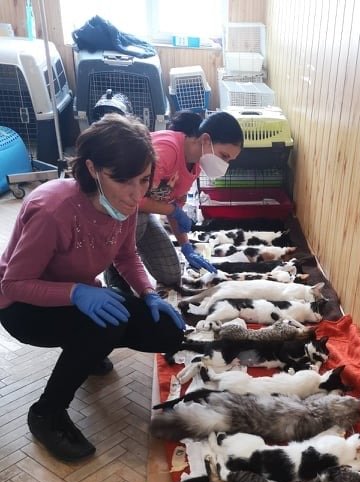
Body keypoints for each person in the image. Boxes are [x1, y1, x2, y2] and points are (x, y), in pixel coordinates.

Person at [0, 114, 186, 463]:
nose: (136, 193)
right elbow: (13, 284)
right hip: (22, 308)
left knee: (167, 330)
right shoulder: (52, 210)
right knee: (105, 325)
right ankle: (47, 413)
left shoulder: (125, 203)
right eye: (123, 180)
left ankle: (84, 349)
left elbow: (127, 256)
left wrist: (149, 294)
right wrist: (76, 293)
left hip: (76, 295)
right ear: (93, 169)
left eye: (144, 180)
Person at [104, 109, 244, 290]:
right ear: (205, 140)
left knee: (170, 275)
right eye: (224, 156)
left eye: (229, 160)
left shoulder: (196, 165)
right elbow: (132, 199)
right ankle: (112, 265)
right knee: (139, 220)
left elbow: (175, 204)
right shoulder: (167, 150)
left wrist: (186, 246)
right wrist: (172, 210)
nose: (224, 165)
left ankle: (129, 254)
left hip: (143, 212)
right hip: (117, 208)